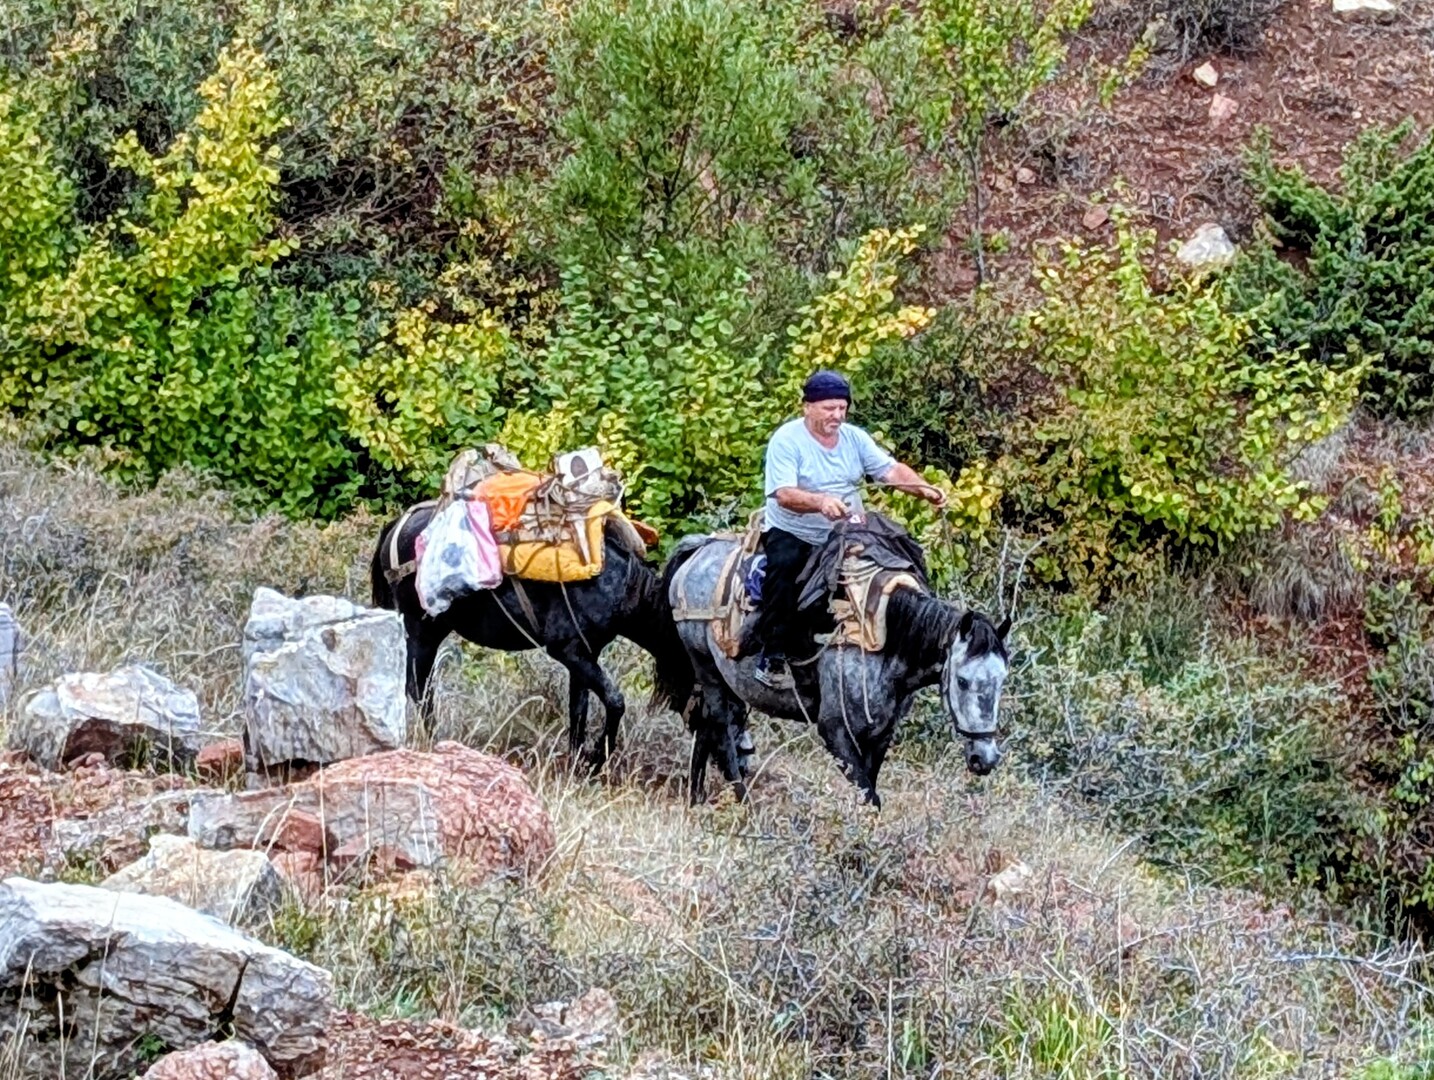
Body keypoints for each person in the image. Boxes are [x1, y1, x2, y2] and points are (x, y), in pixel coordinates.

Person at [749, 369, 946, 690]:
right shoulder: (786, 440)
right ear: (807, 407)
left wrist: (923, 489)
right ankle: (773, 655)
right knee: (784, 571)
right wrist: (820, 502)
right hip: (796, 530)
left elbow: (889, 470)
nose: (837, 415)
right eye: (829, 408)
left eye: (842, 408)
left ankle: (905, 645)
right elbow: (783, 494)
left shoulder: (854, 437)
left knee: (900, 552)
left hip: (847, 530)